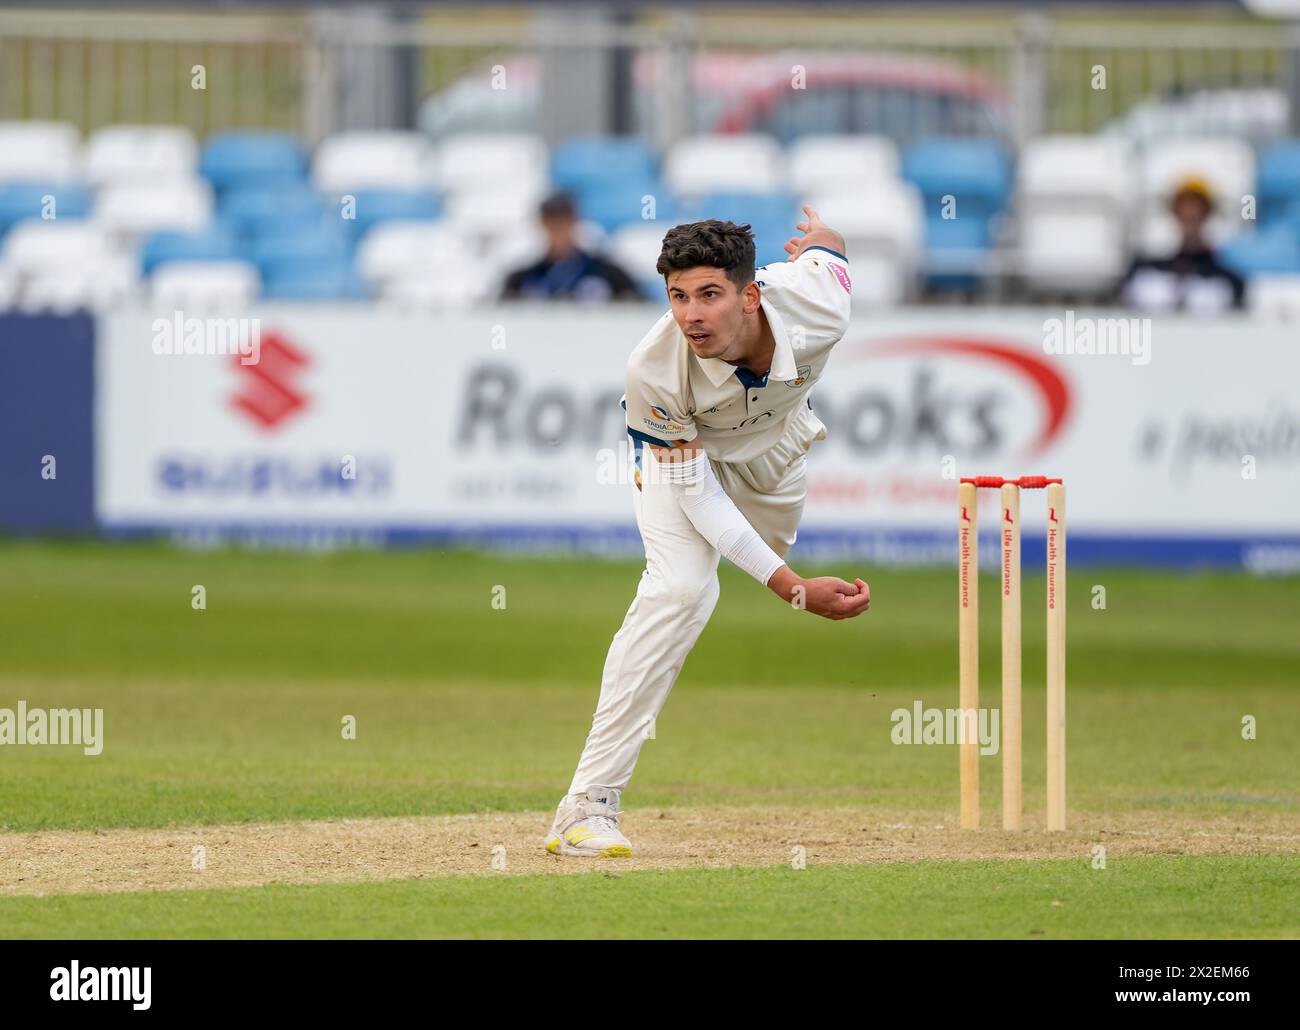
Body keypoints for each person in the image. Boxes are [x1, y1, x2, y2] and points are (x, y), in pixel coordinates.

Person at [545, 208, 872, 858]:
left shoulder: (818, 307)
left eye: (709, 294)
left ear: (751, 295)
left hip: (775, 452)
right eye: (677, 296)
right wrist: (791, 590)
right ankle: (586, 807)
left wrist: (823, 234)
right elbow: (696, 492)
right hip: (683, 464)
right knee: (684, 591)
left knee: (766, 549)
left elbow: (831, 254)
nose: (691, 315)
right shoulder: (654, 369)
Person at [1121, 176, 1245, 311]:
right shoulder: (1145, 268)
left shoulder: (1228, 277)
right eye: (1184, 207)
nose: (1190, 213)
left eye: (1197, 208)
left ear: (1207, 213)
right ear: (1175, 213)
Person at [499, 191, 642, 301]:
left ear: (575, 222)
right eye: (551, 222)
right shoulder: (522, 279)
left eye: (562, 222)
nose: (557, 229)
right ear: (541, 225)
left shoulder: (609, 274)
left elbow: (637, 308)